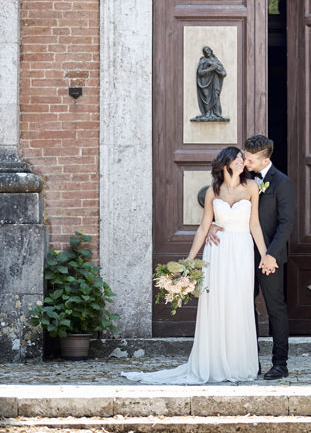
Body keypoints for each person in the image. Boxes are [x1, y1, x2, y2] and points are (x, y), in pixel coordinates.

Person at [122, 146, 270, 384]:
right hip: (218, 252)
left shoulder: (252, 187)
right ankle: (214, 362)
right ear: (226, 163)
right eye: (238, 158)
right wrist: (190, 260)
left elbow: (255, 225)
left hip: (242, 250)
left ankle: (238, 363)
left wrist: (264, 254)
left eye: (243, 158)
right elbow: (204, 227)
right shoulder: (214, 191)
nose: (242, 161)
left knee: (238, 302)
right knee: (217, 303)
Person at [207, 134, 296, 380]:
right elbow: (223, 202)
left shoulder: (282, 182)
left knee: (275, 308)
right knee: (244, 308)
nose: (244, 161)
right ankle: (249, 361)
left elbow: (286, 224)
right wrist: (214, 224)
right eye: (244, 156)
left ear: (264, 158)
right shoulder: (243, 178)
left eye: (249, 158)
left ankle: (280, 363)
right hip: (241, 254)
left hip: (269, 257)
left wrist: (270, 255)